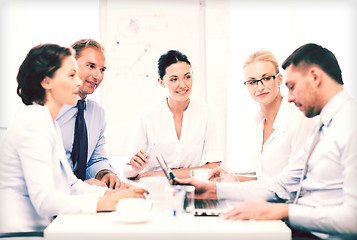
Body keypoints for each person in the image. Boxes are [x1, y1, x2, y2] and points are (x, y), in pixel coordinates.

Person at [176, 43, 357, 239]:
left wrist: (283, 212)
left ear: (315, 77)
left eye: (292, 86)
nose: (289, 98)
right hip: (301, 230)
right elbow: (282, 185)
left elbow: (354, 219)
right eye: (252, 82)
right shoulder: (324, 126)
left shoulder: (349, 125)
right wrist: (213, 190)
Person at [0, 44, 147, 234]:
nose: (78, 83)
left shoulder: (48, 122)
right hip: (22, 233)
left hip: (47, 229)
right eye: (71, 75)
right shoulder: (32, 124)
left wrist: (112, 193)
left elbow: (71, 184)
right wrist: (104, 201)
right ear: (47, 82)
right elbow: (45, 200)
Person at [209, 51, 314, 182]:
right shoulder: (260, 123)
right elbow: (267, 179)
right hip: (270, 198)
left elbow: (295, 182)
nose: (260, 87)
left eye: (266, 78)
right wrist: (236, 179)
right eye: (252, 82)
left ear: (279, 79)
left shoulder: (299, 118)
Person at [123, 50, 223, 179]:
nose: (182, 85)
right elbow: (127, 170)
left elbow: (214, 167)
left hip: (191, 187)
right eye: (174, 79)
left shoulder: (207, 113)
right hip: (153, 187)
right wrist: (135, 169)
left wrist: (154, 174)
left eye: (187, 77)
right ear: (161, 82)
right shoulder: (147, 115)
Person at [57, 39, 120, 189]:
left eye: (102, 69)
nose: (98, 76)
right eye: (91, 66)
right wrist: (81, 187)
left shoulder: (97, 113)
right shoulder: (49, 108)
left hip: (79, 199)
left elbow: (95, 160)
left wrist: (105, 174)